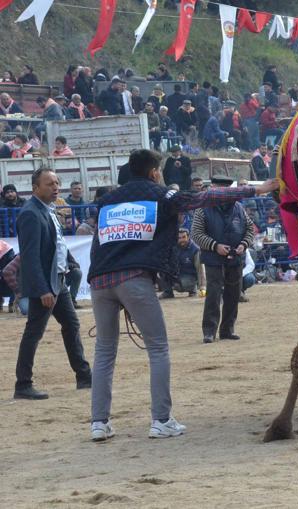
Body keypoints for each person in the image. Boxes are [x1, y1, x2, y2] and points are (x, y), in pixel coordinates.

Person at [86, 149, 277, 441]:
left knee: (104, 351)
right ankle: (160, 419)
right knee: (158, 348)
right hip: (135, 278)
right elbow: (207, 197)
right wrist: (256, 188)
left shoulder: (107, 201)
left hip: (100, 280)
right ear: (153, 172)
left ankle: (99, 423)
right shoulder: (163, 196)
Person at [13, 168, 92, 400]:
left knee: (71, 324)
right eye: (49, 183)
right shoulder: (30, 213)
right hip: (46, 285)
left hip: (58, 281)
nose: (55, 186)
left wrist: (70, 262)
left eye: (57, 182)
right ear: (35, 188)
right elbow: (30, 256)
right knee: (34, 332)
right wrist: (42, 289)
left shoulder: (49, 209)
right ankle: (23, 384)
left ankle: (84, 376)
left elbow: (56, 245)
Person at [192, 175, 256, 344]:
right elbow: (196, 234)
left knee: (233, 294)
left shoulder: (239, 208)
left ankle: (228, 330)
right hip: (213, 258)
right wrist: (215, 246)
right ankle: (209, 331)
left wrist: (244, 244)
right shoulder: (202, 208)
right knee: (213, 294)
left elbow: (250, 229)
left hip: (235, 257)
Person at [158, 229, 205, 298]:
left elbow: (200, 270)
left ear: (188, 237)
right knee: (162, 270)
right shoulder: (173, 246)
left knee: (178, 285)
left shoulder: (195, 250)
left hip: (189, 276)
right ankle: (168, 292)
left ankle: (193, 289)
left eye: (184, 237)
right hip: (177, 274)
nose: (181, 240)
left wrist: (202, 287)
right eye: (179, 238)